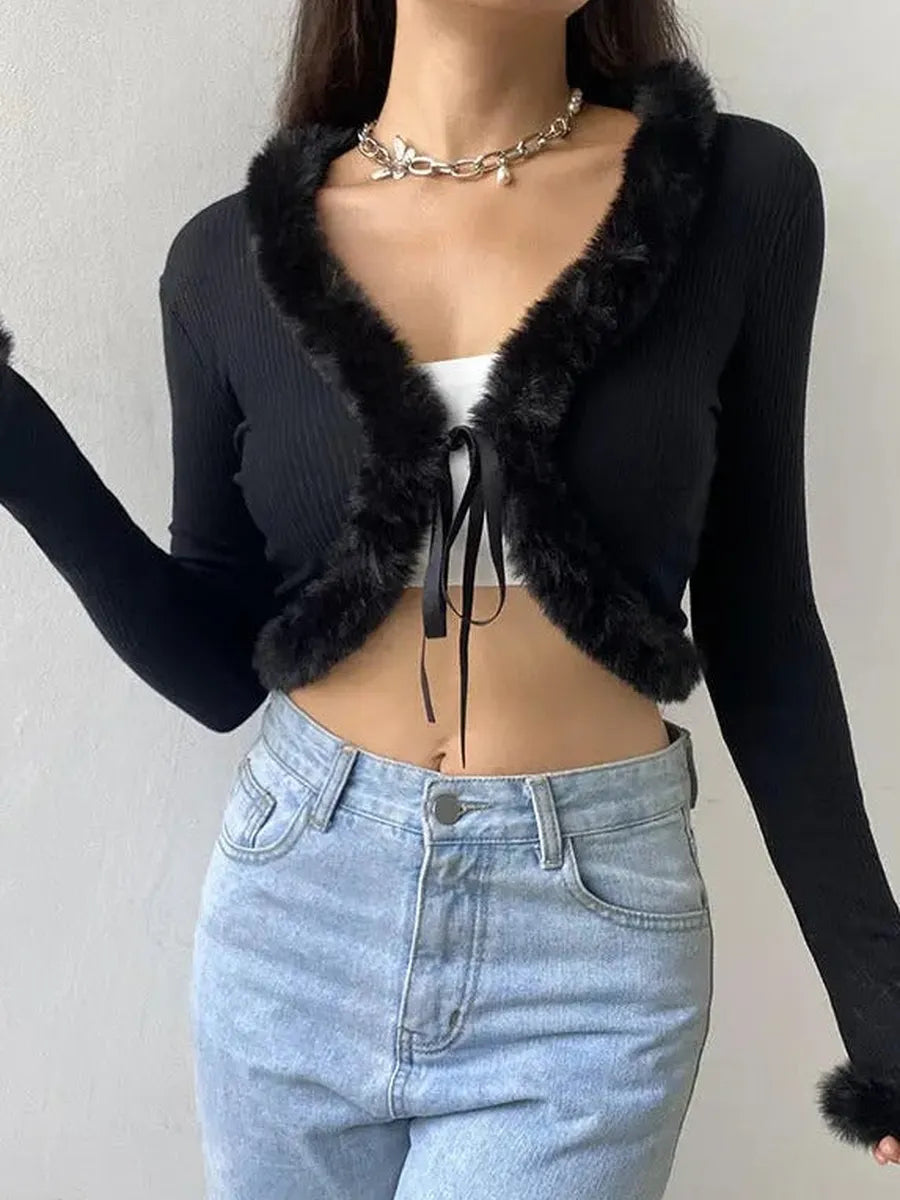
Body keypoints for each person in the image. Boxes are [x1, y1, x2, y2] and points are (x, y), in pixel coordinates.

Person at [2, 1, 900, 1196]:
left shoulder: (737, 192)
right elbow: (221, 664)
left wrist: (881, 999)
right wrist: (17, 442)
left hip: (586, 947)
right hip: (296, 909)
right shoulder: (224, 260)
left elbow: (763, 621)